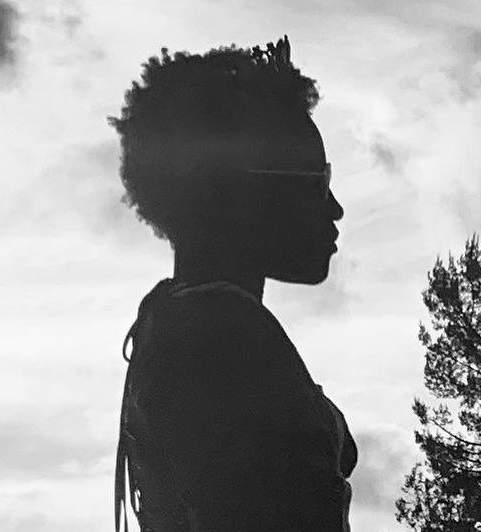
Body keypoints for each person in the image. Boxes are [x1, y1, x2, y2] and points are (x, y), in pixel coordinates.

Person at [109, 35, 356, 531]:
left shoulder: (173, 322)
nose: (334, 208)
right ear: (243, 193)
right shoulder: (225, 340)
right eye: (317, 180)